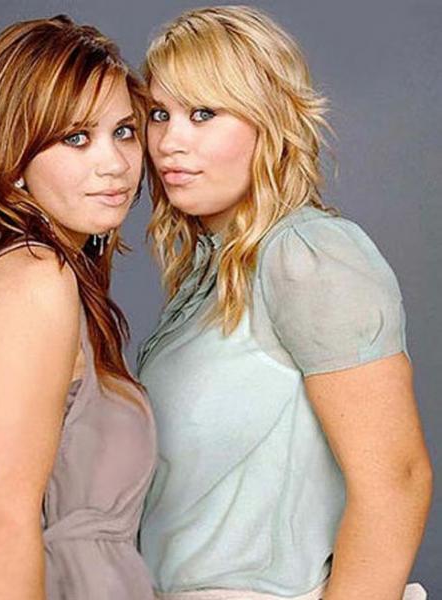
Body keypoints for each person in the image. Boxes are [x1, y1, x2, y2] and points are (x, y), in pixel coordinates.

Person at [136, 6, 432, 600]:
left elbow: (397, 481)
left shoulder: (307, 256)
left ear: (267, 121)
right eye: (159, 114)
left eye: (203, 113)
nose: (170, 141)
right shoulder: (214, 268)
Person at [0, 15, 156, 600]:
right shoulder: (31, 279)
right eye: (76, 138)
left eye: (124, 131)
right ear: (13, 157)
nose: (115, 163)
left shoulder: (20, 270)